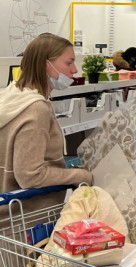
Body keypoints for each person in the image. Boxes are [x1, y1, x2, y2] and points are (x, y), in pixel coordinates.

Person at [0, 33, 93, 221]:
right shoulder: (36, 110)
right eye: (69, 63)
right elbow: (30, 176)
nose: (74, 70)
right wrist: (80, 175)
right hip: (28, 220)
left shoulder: (12, 94)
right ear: (46, 65)